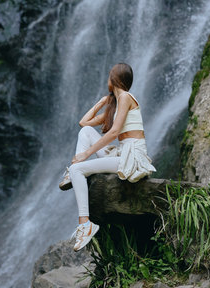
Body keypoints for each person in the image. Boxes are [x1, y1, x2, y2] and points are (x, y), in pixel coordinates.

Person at [59, 63, 157, 251]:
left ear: (114, 79)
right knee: (87, 132)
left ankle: (85, 224)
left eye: (108, 78)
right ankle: (73, 175)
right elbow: (84, 123)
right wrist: (102, 102)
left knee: (77, 168)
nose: (106, 81)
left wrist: (86, 154)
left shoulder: (126, 97)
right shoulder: (117, 103)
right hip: (122, 153)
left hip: (132, 156)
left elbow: (114, 133)